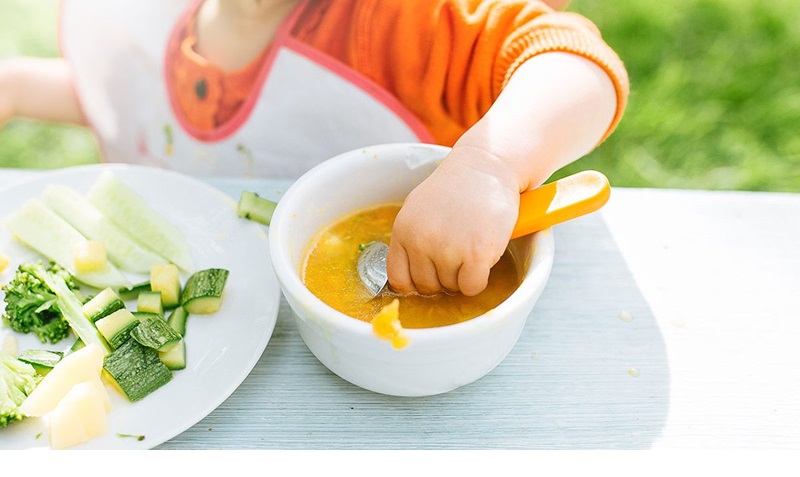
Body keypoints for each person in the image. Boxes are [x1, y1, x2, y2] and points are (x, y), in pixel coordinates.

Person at [0, 0, 628, 297]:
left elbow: (575, 62)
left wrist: (490, 164)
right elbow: (144, 107)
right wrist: (18, 87)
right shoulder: (163, 15)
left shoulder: (403, 24)